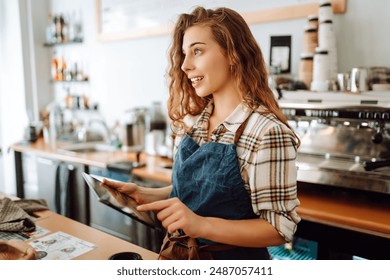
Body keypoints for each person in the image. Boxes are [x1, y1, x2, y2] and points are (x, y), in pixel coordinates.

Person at [103, 6, 300, 260]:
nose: (185, 65)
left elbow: (279, 229)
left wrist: (201, 225)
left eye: (197, 51)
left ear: (233, 54)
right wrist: (146, 195)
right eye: (184, 54)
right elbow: (206, 193)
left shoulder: (266, 132)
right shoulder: (194, 123)